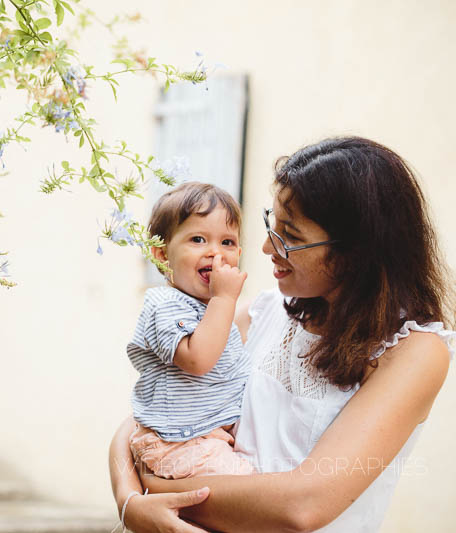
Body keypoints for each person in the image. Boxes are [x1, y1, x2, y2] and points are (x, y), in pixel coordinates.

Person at [109, 136, 455, 532]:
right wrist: (129, 501)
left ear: (354, 253)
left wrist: (154, 489)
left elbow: (301, 506)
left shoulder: (415, 351)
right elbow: (148, 420)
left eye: (289, 236)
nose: (264, 247)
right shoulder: (265, 311)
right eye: (271, 224)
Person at [126, 182, 253, 481]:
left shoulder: (209, 310)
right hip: (178, 442)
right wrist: (224, 299)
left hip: (200, 438)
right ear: (161, 254)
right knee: (248, 493)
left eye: (227, 243)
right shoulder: (166, 303)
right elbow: (197, 360)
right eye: (198, 239)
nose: (215, 253)